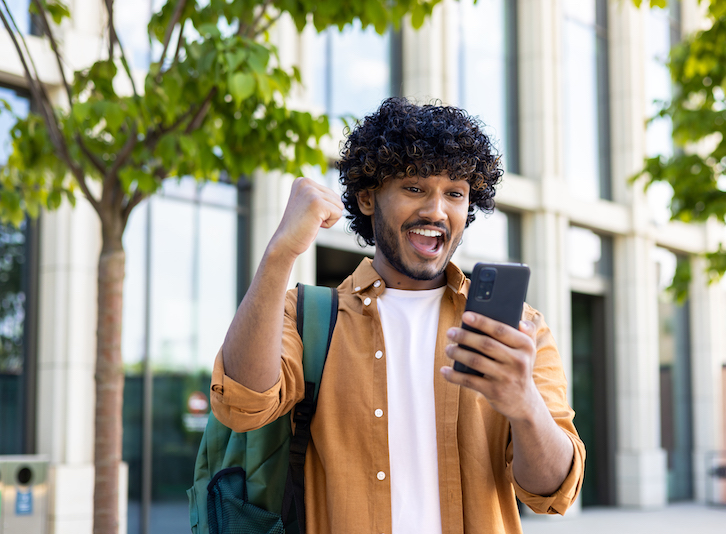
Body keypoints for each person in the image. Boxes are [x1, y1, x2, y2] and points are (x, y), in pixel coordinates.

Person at [210, 97, 585, 534]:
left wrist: (525, 406)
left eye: (455, 194)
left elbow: (554, 492)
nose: (436, 211)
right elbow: (241, 406)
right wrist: (280, 254)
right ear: (368, 198)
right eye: (414, 188)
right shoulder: (306, 316)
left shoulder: (520, 329)